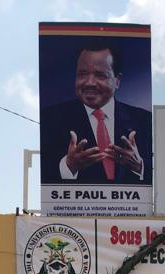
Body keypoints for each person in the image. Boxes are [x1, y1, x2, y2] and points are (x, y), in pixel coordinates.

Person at [41, 41, 152, 184]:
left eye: (100, 75)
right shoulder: (50, 119)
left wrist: (139, 166)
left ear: (117, 81)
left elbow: (162, 173)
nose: (89, 83)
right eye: (82, 74)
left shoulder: (144, 120)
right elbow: (44, 174)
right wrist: (68, 166)